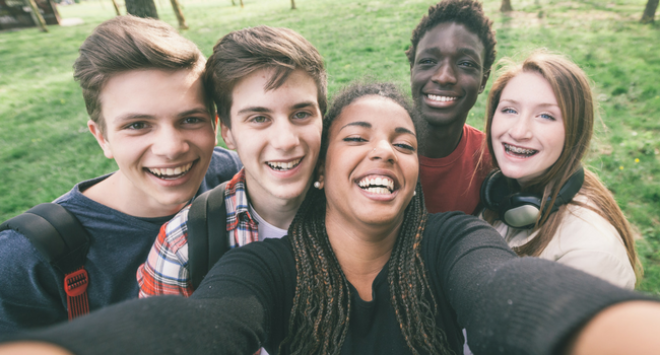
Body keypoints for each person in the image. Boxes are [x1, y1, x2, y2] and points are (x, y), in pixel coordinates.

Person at [2, 83, 659, 355]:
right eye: (359, 137)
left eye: (402, 142)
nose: (384, 150)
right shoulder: (262, 264)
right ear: (319, 169)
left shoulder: (452, 238)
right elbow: (200, 322)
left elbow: (512, 292)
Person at [0, 15, 241, 333]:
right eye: (137, 125)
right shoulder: (25, 260)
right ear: (101, 137)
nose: (171, 148)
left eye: (190, 119)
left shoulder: (232, 175)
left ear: (213, 123)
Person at [136, 25, 326, 298]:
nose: (285, 141)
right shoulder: (183, 246)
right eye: (259, 118)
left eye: (301, 114)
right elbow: (158, 340)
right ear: (227, 132)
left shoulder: (364, 209)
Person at [478, 51, 640, 289]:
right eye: (509, 110)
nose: (519, 131)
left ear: (574, 133)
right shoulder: (502, 196)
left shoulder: (591, 256)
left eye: (545, 116)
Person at [407, 0, 496, 215]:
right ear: (412, 69)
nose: (444, 76)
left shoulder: (491, 161)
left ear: (483, 80)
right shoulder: (375, 150)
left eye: (465, 64)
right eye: (428, 61)